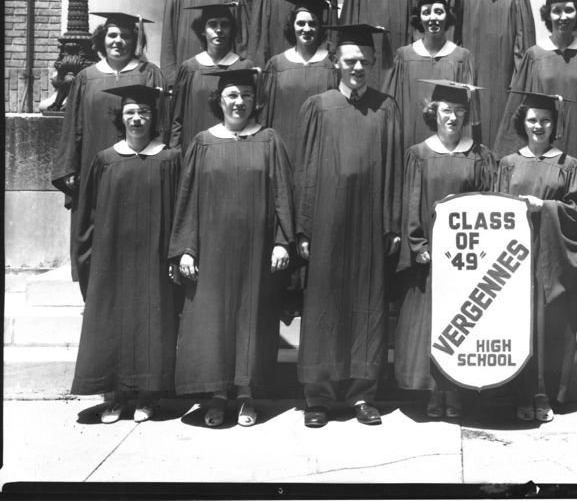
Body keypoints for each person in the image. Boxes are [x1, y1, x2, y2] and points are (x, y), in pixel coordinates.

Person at [169, 68, 294, 428]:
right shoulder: (203, 142)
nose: (239, 102)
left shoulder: (270, 140)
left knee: (252, 320)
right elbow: (188, 199)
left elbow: (284, 195)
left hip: (257, 253)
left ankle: (246, 396)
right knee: (215, 321)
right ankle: (217, 397)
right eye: (232, 96)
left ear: (256, 102)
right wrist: (186, 249)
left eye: (246, 96)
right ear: (220, 100)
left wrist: (282, 241)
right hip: (213, 252)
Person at [293, 24, 403, 428]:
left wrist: (392, 224)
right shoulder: (318, 106)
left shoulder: (385, 106)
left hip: (371, 221)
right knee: (324, 305)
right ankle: (318, 397)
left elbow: (393, 168)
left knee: (366, 305)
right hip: (326, 220)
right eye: (350, 60)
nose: (358, 67)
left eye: (364, 61)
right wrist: (303, 228)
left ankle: (361, 395)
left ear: (373, 64)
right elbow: (304, 170)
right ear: (335, 62)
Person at [70, 85, 181, 424]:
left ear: (153, 118)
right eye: (131, 112)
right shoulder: (105, 159)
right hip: (113, 258)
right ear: (120, 117)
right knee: (114, 322)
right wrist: (87, 257)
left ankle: (148, 396)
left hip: (154, 256)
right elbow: (86, 213)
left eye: (144, 112)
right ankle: (115, 397)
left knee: (152, 321)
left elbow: (180, 210)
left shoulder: (169, 158)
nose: (137, 118)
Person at [493, 0, 577, 294]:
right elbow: (516, 110)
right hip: (541, 153)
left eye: (569, 10)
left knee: (575, 212)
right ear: (548, 15)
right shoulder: (534, 55)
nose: (563, 17)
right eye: (557, 10)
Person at [394, 80, 496, 419]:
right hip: (430, 258)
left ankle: (455, 394)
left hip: (467, 258)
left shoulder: (479, 155)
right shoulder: (419, 154)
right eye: (446, 110)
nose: (452, 117)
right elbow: (411, 203)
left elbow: (488, 205)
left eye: (459, 111)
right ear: (433, 112)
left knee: (460, 326)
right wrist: (418, 244)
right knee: (431, 324)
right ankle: (433, 395)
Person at [494, 91, 577, 422]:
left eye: (545, 120)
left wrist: (544, 207)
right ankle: (519, 393)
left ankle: (544, 394)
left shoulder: (568, 164)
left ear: (554, 125)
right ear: (523, 123)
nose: (539, 126)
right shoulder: (508, 163)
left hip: (550, 257)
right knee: (517, 323)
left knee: (549, 324)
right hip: (515, 258)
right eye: (532, 120)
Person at [52, 11, 163, 281]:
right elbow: (73, 126)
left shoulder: (149, 74)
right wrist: (70, 167)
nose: (118, 41)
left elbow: (164, 122)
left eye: (125, 35)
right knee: (95, 230)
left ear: (134, 40)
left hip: (140, 167)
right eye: (113, 35)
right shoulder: (86, 77)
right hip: (93, 168)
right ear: (102, 40)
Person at [455, 0, 536, 147]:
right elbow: (454, 42)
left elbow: (524, 44)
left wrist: (518, 84)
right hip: (472, 79)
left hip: (505, 80)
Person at [383, 0, 477, 153]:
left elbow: (468, 114)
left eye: (439, 12)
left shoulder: (462, 58)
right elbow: (391, 111)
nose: (433, 18)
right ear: (419, 18)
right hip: (409, 140)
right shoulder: (404, 56)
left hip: (449, 145)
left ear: (448, 16)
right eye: (426, 13)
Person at [261, 0, 339, 162]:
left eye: (313, 24)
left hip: (323, 149)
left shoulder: (333, 64)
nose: (307, 28)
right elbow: (265, 114)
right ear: (292, 26)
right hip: (284, 148)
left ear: (320, 28)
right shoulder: (276, 65)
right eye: (301, 23)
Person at [168, 3, 255, 151]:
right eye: (212, 25)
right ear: (203, 30)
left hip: (236, 148)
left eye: (224, 25)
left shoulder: (244, 67)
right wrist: (175, 153)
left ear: (232, 30)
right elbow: (177, 119)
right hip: (195, 148)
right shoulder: (189, 68)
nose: (219, 30)